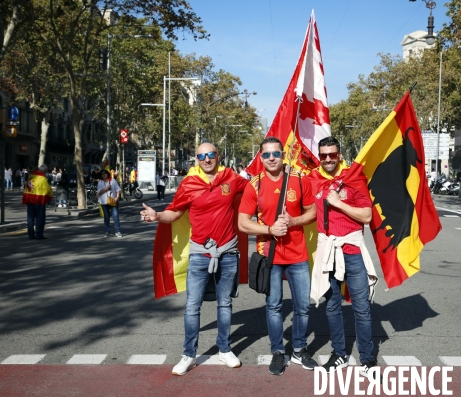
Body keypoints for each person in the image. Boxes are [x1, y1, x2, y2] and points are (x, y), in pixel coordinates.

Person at [140, 142, 248, 375]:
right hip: (199, 254)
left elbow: (258, 190)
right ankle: (189, 354)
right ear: (196, 160)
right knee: (192, 306)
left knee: (225, 304)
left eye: (210, 155)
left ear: (218, 156)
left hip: (228, 252)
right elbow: (176, 212)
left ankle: (224, 350)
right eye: (202, 156)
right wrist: (157, 215)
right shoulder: (189, 184)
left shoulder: (232, 178)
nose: (206, 159)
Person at [238, 137, 318, 376]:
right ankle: (277, 352)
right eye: (266, 155)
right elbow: (243, 223)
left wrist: (294, 221)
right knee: (273, 307)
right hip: (269, 256)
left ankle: (300, 349)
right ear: (260, 157)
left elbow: (312, 211)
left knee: (302, 306)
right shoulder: (254, 185)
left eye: (275, 154)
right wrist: (269, 229)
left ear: (283, 155)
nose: (271, 158)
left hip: (297, 254)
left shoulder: (298, 179)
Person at [307, 136, 378, 376]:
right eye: (324, 155)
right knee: (332, 306)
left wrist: (338, 203)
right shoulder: (312, 178)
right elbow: (305, 207)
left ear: (339, 154)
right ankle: (339, 354)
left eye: (332, 155)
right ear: (319, 156)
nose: (328, 159)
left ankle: (367, 360)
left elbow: (367, 216)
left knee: (361, 307)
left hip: (352, 250)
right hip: (327, 250)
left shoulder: (353, 177)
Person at [22, 164, 53, 240]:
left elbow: (27, 188)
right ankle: (39, 234)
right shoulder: (43, 179)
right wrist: (50, 196)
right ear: (44, 171)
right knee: (40, 218)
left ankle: (30, 234)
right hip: (39, 201)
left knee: (30, 218)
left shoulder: (31, 177)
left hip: (30, 200)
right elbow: (48, 190)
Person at [98, 169, 122, 237]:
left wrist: (117, 198)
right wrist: (106, 188)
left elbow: (118, 190)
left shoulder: (112, 180)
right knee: (106, 217)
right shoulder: (100, 182)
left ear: (107, 174)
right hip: (104, 201)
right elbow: (99, 192)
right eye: (102, 174)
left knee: (115, 216)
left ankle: (118, 231)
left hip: (113, 201)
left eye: (105, 173)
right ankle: (107, 231)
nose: (103, 175)